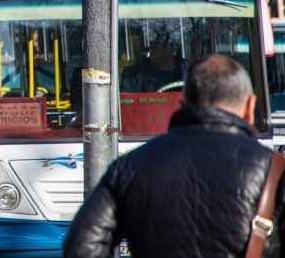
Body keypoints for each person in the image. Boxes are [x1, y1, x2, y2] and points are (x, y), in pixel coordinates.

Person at [63, 54, 281, 258]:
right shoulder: (275, 170)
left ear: (182, 105)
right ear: (250, 106)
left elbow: (81, 246)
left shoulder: (131, 165)